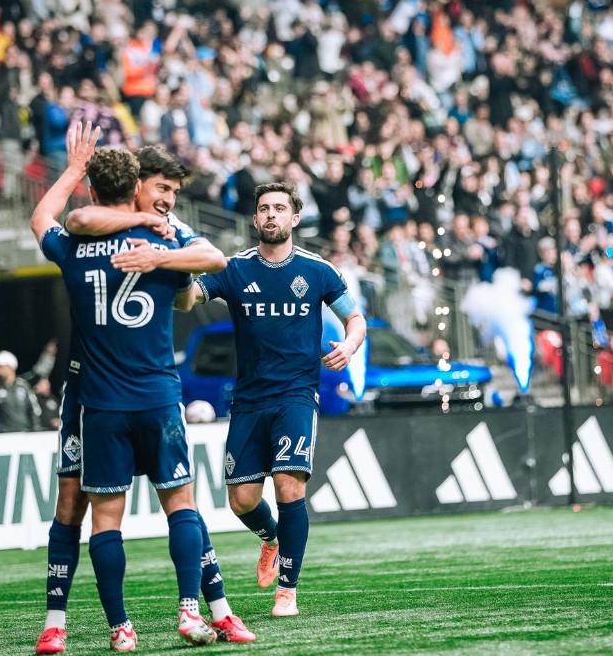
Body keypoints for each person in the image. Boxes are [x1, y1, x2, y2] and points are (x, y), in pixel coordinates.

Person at [31, 123, 250, 653]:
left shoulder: (87, 244)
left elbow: (51, 218)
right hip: (138, 396)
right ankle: (73, 620)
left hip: (102, 400)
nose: (169, 201)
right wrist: (158, 246)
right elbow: (212, 264)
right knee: (162, 503)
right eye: (162, 190)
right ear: (135, 188)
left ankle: (136, 624)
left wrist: (75, 171)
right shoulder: (160, 235)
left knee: (111, 514)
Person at [175, 180, 367, 618]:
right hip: (248, 400)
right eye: (264, 208)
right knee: (241, 500)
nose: (271, 215)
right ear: (255, 217)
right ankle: (271, 539)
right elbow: (187, 302)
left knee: (288, 484)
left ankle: (288, 590)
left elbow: (355, 318)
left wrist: (350, 345)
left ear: (294, 218)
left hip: (297, 395)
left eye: (280, 208)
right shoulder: (235, 268)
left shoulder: (317, 270)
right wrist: (178, 269)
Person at [0, 350, 40, 433]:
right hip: (4, 435)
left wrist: (36, 430)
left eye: (0, 365)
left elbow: (34, 410)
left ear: (10, 367)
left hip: (25, 433)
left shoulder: (23, 386)